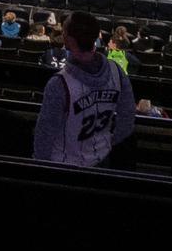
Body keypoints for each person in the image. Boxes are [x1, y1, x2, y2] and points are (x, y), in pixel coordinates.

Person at [31, 11, 135, 167]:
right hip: (101, 158)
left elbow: (45, 135)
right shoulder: (117, 71)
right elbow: (127, 119)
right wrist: (106, 142)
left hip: (64, 164)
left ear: (69, 40)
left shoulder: (59, 84)